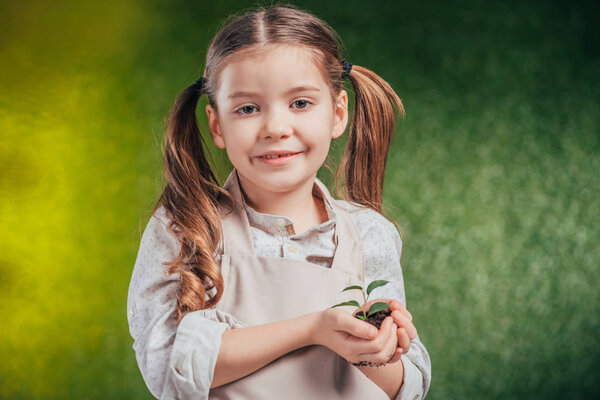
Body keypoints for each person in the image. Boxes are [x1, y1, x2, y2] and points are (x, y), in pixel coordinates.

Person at [127, 4, 431, 400]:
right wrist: (312, 330)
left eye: (300, 103)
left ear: (338, 114)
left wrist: (377, 351)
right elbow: (167, 368)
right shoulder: (184, 227)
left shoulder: (371, 233)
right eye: (248, 108)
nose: (275, 128)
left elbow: (404, 388)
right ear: (217, 124)